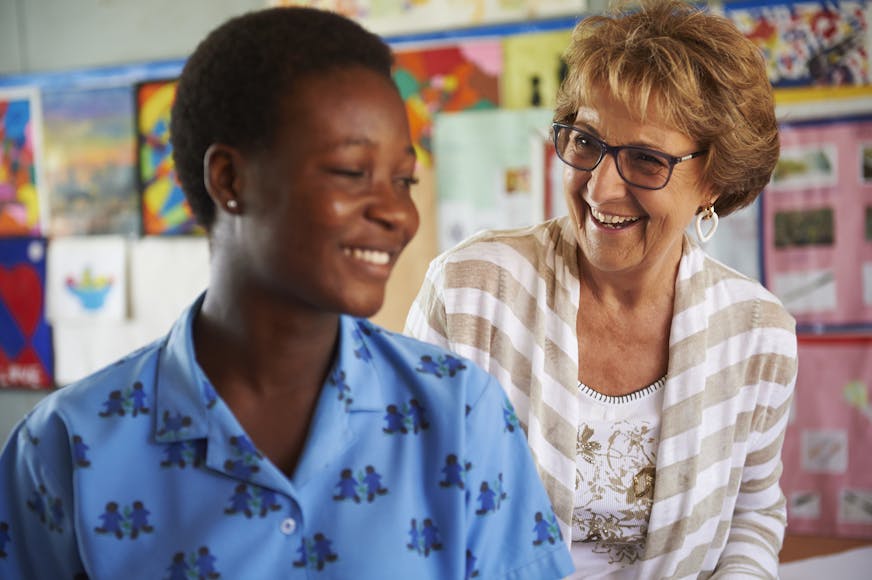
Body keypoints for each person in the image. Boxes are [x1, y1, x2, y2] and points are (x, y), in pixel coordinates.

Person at [0, 7, 573, 579]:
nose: (397, 213)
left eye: (403, 180)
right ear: (230, 179)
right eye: (352, 172)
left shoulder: (460, 417)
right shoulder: (65, 451)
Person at [405, 0, 798, 577]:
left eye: (645, 159)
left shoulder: (757, 335)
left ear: (714, 180)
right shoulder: (472, 290)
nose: (602, 188)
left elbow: (753, 515)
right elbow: (409, 500)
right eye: (586, 142)